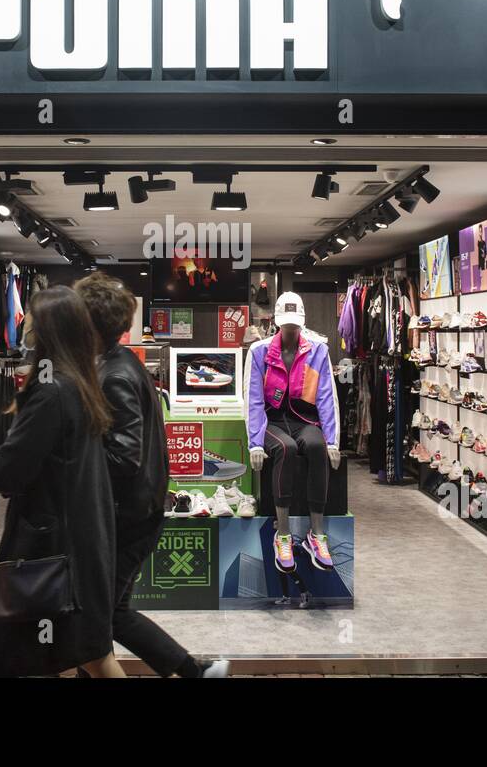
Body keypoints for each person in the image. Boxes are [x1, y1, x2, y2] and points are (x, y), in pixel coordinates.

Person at [74, 273, 230, 679]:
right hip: (137, 511)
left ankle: (196, 673)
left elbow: (124, 456)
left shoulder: (114, 375)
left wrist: (74, 466)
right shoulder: (118, 366)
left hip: (128, 517)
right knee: (109, 614)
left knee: (96, 618)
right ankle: (196, 672)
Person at [0, 286, 125, 678]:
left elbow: (8, 470)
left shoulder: (51, 391)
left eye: (31, 321)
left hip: (48, 548)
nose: (25, 327)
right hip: (80, 542)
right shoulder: (81, 384)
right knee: (83, 651)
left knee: (39, 653)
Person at [247, 291, 341, 573]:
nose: (290, 330)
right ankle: (283, 534)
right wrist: (255, 441)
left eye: (294, 324)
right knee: (285, 448)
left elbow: (326, 396)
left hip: (303, 418)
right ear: (277, 322)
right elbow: (252, 398)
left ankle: (316, 533)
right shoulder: (259, 351)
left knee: (316, 447)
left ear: (301, 322)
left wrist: (333, 440)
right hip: (272, 421)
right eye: (286, 324)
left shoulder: (317, 350)